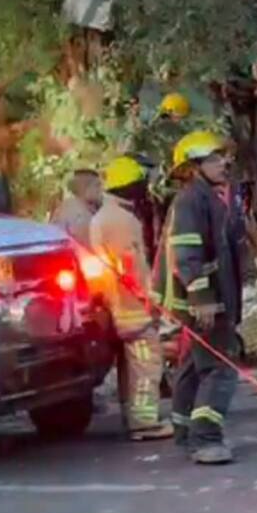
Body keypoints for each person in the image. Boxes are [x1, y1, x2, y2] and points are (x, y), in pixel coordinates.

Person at [152, 130, 243, 464]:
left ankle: (183, 428)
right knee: (221, 367)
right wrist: (201, 297)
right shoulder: (193, 199)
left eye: (223, 156)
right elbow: (188, 251)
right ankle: (205, 439)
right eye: (214, 158)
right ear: (192, 167)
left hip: (205, 297)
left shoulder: (207, 196)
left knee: (195, 363)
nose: (224, 163)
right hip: (203, 300)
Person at [91, 156, 174, 442]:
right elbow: (131, 268)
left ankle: (135, 417)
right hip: (131, 309)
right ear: (129, 185)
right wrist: (150, 300)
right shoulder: (121, 220)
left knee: (131, 368)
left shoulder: (107, 216)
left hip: (119, 305)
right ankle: (145, 423)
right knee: (146, 365)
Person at [50, 169, 103, 246]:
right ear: (85, 188)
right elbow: (89, 244)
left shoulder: (70, 205)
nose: (101, 190)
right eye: (97, 186)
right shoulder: (76, 211)